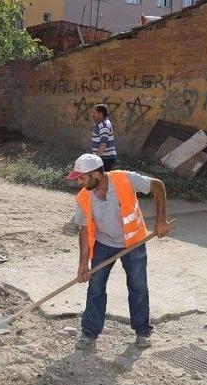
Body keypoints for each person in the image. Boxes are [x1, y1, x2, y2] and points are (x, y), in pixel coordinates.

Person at [67, 153, 171, 351]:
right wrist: (82, 264)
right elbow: (84, 230)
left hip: (134, 242)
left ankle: (142, 332)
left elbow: (158, 185)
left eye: (81, 177)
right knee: (95, 287)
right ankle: (89, 332)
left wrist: (161, 220)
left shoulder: (125, 179)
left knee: (138, 287)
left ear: (96, 174)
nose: (79, 182)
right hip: (103, 244)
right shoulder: (83, 197)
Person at [91, 104, 117, 171]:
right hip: (104, 158)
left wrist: (96, 159)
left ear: (100, 113)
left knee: (104, 179)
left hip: (106, 159)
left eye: (94, 113)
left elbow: (103, 144)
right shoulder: (101, 124)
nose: (92, 115)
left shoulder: (104, 125)